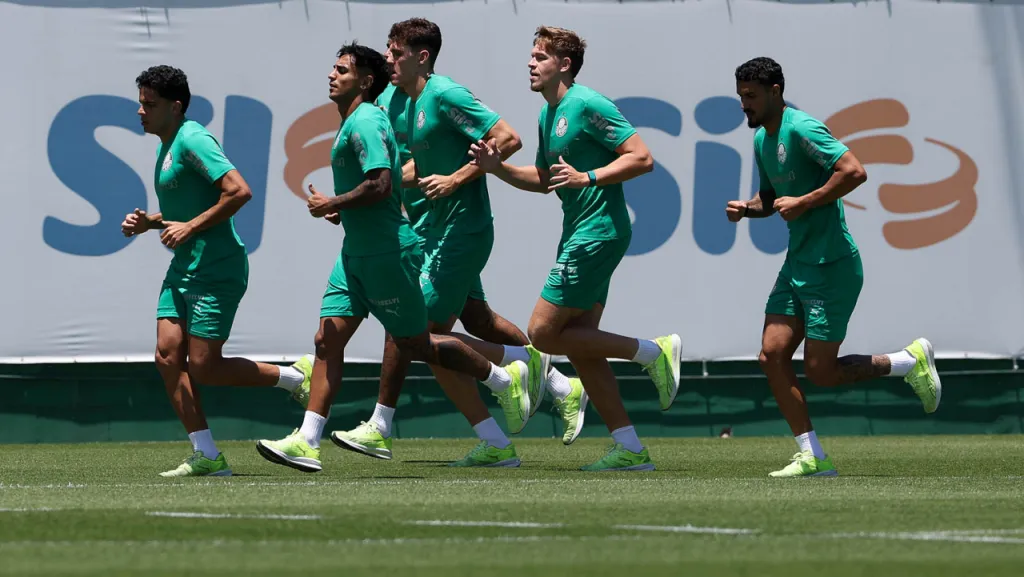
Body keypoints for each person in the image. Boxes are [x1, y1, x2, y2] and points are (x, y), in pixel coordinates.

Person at [255, 42, 531, 472]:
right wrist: (341, 207)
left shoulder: (366, 119)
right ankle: (307, 439)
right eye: (333, 67)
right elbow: (399, 179)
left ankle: (504, 376)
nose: (332, 75)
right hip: (355, 252)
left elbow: (382, 184)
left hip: (388, 252)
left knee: (415, 342)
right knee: (327, 339)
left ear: (365, 81)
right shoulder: (369, 115)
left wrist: (336, 202)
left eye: (342, 69)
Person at [330, 24, 588, 462]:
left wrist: (457, 178)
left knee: (414, 329)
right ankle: (529, 410)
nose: (388, 59)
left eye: (396, 53)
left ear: (422, 57)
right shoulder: (392, 101)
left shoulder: (445, 95)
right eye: (389, 53)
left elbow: (508, 138)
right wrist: (357, 201)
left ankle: (380, 425)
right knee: (477, 322)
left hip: (462, 230)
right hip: (424, 230)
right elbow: (400, 169)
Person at [470, 26, 682, 471]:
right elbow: (545, 180)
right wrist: (496, 168)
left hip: (598, 232)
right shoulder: (549, 115)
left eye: (539, 57)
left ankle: (653, 351)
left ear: (563, 65)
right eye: (530, 56)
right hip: (580, 232)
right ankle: (630, 448)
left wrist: (590, 177)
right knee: (583, 349)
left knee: (544, 334)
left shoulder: (586, 103)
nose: (530, 63)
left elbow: (642, 157)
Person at [726, 56, 941, 478]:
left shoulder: (802, 128)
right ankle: (812, 456)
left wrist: (806, 201)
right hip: (797, 264)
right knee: (772, 355)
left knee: (821, 373)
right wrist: (748, 209)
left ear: (775, 92)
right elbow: (772, 199)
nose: (744, 105)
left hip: (832, 264)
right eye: (740, 96)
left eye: (751, 96)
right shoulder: (761, 142)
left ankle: (906, 362)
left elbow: (854, 171)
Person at [122, 65, 312, 478]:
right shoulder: (167, 143)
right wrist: (151, 223)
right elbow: (185, 210)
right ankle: (206, 454)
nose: (141, 111)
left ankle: (294, 377)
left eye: (149, 105)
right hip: (184, 268)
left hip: (217, 267)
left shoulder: (193, 138)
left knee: (205, 366)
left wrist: (189, 227)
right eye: (140, 103)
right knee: (167, 356)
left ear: (175, 107)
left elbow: (239, 190)